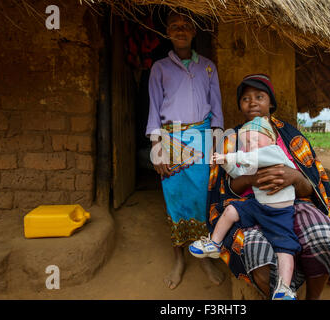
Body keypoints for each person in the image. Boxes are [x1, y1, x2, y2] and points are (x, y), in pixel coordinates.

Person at [206, 74, 330, 299]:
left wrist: (294, 177)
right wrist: (251, 180)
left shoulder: (292, 136)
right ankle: (279, 292)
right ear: (240, 105)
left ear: (270, 102)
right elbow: (226, 189)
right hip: (250, 207)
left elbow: (313, 187)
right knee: (254, 250)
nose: (252, 102)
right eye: (245, 98)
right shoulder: (232, 139)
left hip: (295, 204)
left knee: (323, 237)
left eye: (259, 96)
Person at [145, 10, 225, 290]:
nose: (180, 30)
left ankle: (202, 256)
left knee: (203, 199)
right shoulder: (159, 68)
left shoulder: (208, 67)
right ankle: (178, 259)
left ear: (194, 32)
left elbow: (216, 111)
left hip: (202, 141)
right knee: (175, 201)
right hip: (170, 142)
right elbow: (154, 110)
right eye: (175, 26)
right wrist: (157, 149)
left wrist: (217, 145)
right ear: (167, 32)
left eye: (186, 26)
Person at [189, 116, 300, 300]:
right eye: (247, 142)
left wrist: (230, 156)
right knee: (231, 210)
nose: (251, 144)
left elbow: (251, 156)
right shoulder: (252, 158)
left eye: (256, 139)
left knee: (284, 248)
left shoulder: (274, 151)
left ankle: (285, 288)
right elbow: (238, 172)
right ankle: (214, 243)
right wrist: (226, 163)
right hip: (258, 206)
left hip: (279, 213)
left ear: (271, 140)